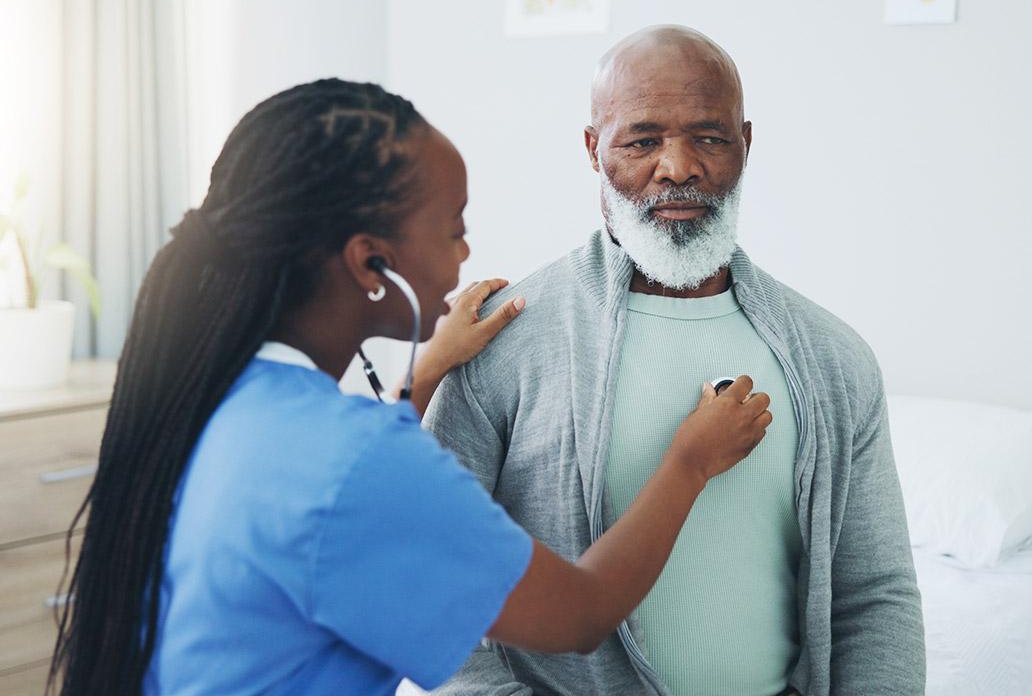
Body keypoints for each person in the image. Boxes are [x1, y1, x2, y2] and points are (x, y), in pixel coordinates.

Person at [46, 79, 773, 696]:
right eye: (454, 229)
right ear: (372, 266)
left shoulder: (212, 402)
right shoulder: (356, 466)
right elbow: (579, 615)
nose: (465, 253)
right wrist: (688, 463)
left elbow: (333, 509)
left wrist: (422, 374)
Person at [425, 26, 926, 696]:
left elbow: (875, 595)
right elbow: (430, 573)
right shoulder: (504, 341)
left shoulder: (834, 358)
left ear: (745, 146)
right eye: (642, 140)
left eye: (709, 137)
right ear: (592, 149)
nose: (679, 166)